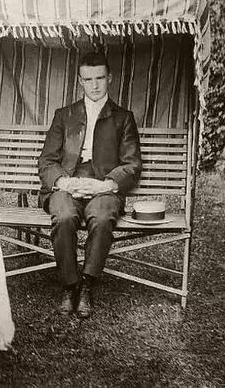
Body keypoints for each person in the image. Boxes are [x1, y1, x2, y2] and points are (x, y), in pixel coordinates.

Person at [38, 50, 142, 318]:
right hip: (67, 183)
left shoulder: (123, 117)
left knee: (103, 216)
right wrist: (64, 182)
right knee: (64, 215)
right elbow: (47, 161)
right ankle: (69, 285)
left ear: (110, 78)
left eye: (100, 78)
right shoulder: (64, 115)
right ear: (80, 81)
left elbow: (131, 165)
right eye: (88, 79)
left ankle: (87, 284)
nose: (94, 85)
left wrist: (106, 185)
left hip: (104, 186)